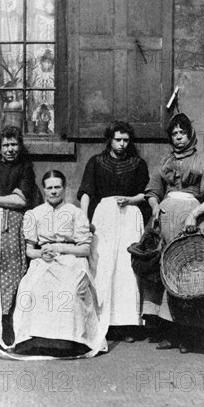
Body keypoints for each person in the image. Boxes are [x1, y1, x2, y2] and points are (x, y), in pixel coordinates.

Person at [145, 113, 204, 353]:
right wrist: (156, 207)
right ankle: (171, 333)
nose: (178, 138)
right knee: (167, 273)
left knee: (190, 273)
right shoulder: (166, 162)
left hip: (191, 220)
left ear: (190, 135)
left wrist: (194, 215)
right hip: (166, 221)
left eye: (182, 133)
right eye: (175, 134)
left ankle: (192, 335)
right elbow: (153, 191)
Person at [11, 171, 106, 357]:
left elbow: (84, 250)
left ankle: (70, 342)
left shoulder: (75, 213)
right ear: (44, 189)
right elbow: (30, 250)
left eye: (57, 187)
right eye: (49, 188)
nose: (53, 192)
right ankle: (37, 341)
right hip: (44, 261)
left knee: (69, 292)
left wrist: (60, 247)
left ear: (64, 188)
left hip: (72, 260)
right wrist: (42, 253)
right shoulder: (34, 214)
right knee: (34, 289)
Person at [77, 121, 150, 342]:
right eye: (118, 139)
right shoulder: (96, 162)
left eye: (126, 140)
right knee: (103, 265)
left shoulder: (138, 164)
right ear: (110, 139)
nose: (122, 144)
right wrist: (83, 218)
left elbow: (145, 194)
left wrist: (129, 199)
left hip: (129, 216)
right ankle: (103, 322)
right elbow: (86, 192)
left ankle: (126, 324)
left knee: (127, 270)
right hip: (105, 217)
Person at [0, 126, 37, 346]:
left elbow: (21, 201)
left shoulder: (24, 168)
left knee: (12, 269)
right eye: (6, 145)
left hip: (12, 223)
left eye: (14, 145)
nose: (10, 149)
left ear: (20, 146)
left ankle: (7, 320)